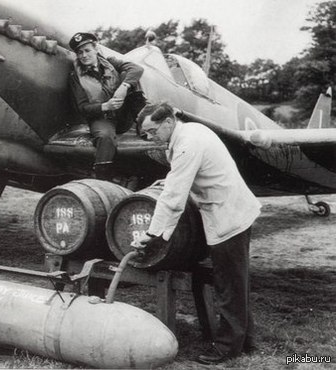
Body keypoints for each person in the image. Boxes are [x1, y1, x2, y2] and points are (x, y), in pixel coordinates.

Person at [133, 102, 261, 365]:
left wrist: (153, 234)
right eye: (146, 133)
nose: (150, 137)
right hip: (229, 209)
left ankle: (227, 349)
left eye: (152, 131)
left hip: (229, 216)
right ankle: (246, 341)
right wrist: (168, 180)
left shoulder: (187, 143)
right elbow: (183, 174)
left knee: (229, 284)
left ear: (168, 122)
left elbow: (173, 199)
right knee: (234, 282)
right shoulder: (188, 132)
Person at [68, 32, 146, 180]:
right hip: (102, 118)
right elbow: (82, 108)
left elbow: (137, 69)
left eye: (87, 50)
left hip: (124, 115)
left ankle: (144, 122)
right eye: (79, 53)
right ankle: (102, 179)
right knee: (105, 138)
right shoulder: (75, 77)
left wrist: (123, 87)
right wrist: (105, 106)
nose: (84, 55)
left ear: (96, 49)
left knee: (130, 77)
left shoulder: (111, 63)